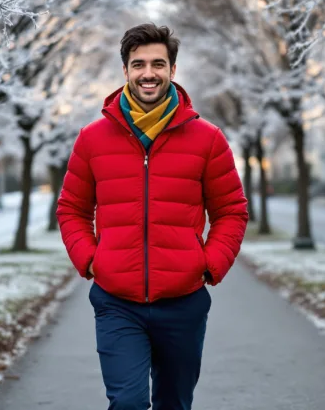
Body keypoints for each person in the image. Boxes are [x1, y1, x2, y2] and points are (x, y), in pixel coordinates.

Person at [56, 23, 248, 410]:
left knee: (173, 403)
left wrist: (209, 264)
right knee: (126, 402)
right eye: (138, 64)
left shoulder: (208, 138)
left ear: (172, 70)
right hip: (116, 301)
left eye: (158, 64)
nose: (148, 73)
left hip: (183, 301)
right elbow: (72, 209)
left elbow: (231, 210)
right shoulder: (92, 138)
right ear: (125, 71)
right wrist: (91, 259)